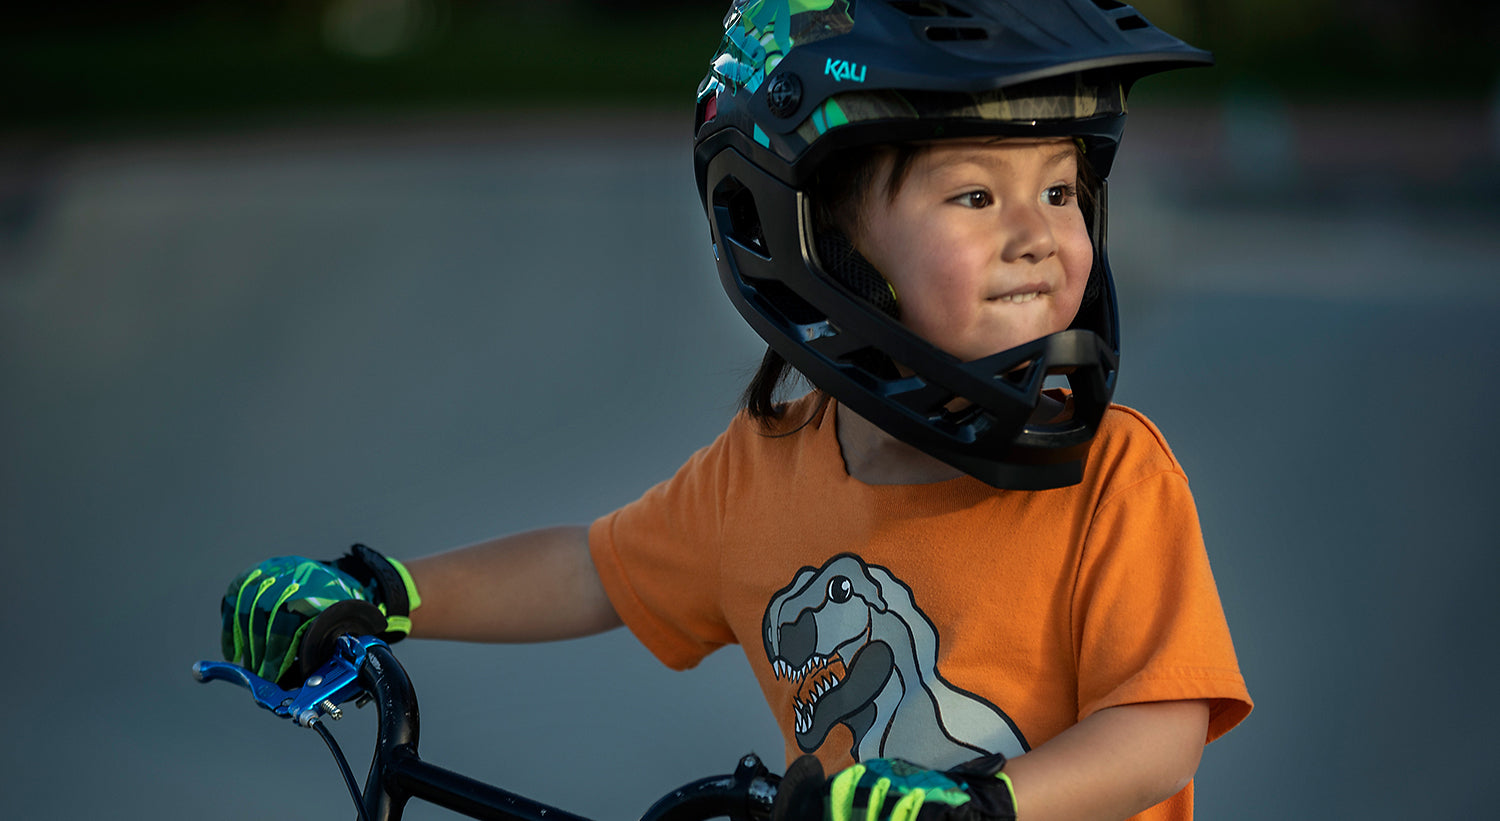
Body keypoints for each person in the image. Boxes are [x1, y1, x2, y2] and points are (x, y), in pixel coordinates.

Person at [219, 2, 1252, 819]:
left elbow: (1156, 728)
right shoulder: (761, 473)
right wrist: (385, 590)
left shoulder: (1114, 474)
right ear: (831, 241)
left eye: (1062, 192)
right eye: (976, 196)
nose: (1037, 234)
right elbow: (595, 569)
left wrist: (985, 804)